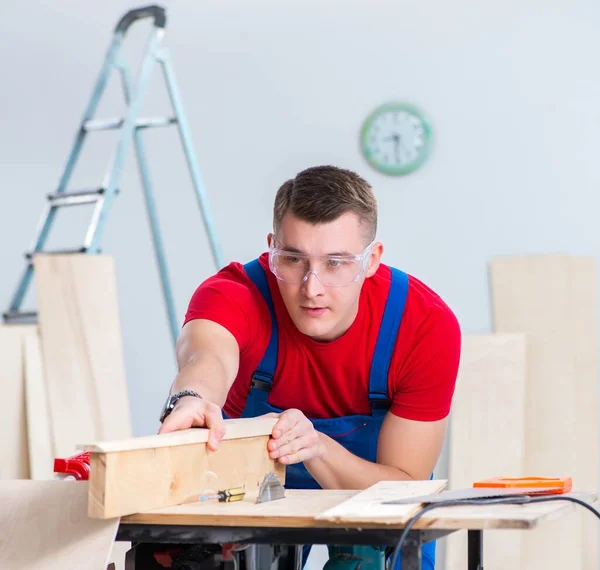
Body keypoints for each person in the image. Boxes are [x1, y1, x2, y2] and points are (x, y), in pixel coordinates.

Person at [158, 165, 461, 570]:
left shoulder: (423, 326)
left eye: (336, 262)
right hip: (244, 495)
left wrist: (316, 445)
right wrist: (192, 398)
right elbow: (206, 355)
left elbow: (403, 485)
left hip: (368, 494)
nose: (311, 287)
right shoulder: (233, 295)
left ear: (372, 260)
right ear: (271, 250)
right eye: (293, 259)